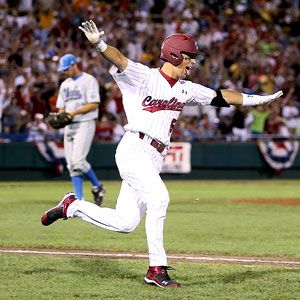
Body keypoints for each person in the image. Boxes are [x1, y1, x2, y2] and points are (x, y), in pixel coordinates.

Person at [41, 20, 283, 288]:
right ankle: (156, 268)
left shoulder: (185, 88)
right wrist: (99, 43)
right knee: (160, 198)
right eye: (190, 56)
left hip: (155, 157)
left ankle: (72, 206)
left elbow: (220, 96)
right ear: (176, 54)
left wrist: (255, 99)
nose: (193, 62)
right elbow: (120, 59)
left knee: (125, 222)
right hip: (135, 147)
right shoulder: (144, 77)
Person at [55, 53, 105, 205]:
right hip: (69, 125)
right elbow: (61, 107)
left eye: (66, 69)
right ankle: (80, 199)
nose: (64, 72)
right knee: (71, 165)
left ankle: (98, 186)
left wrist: (72, 113)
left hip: (85, 122)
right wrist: (60, 116)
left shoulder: (88, 80)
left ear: (74, 65)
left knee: (78, 161)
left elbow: (94, 103)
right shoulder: (65, 84)